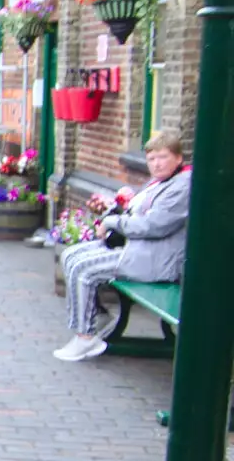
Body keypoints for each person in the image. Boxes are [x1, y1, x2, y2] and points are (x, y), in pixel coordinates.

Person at [54, 131, 192, 362]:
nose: (156, 164)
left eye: (163, 157)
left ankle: (85, 338)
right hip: (138, 248)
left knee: (83, 268)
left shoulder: (182, 186)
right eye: (151, 159)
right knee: (69, 254)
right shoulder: (161, 181)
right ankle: (97, 315)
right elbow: (138, 211)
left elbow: (153, 225)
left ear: (178, 158)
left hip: (157, 259)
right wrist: (116, 208)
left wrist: (111, 221)